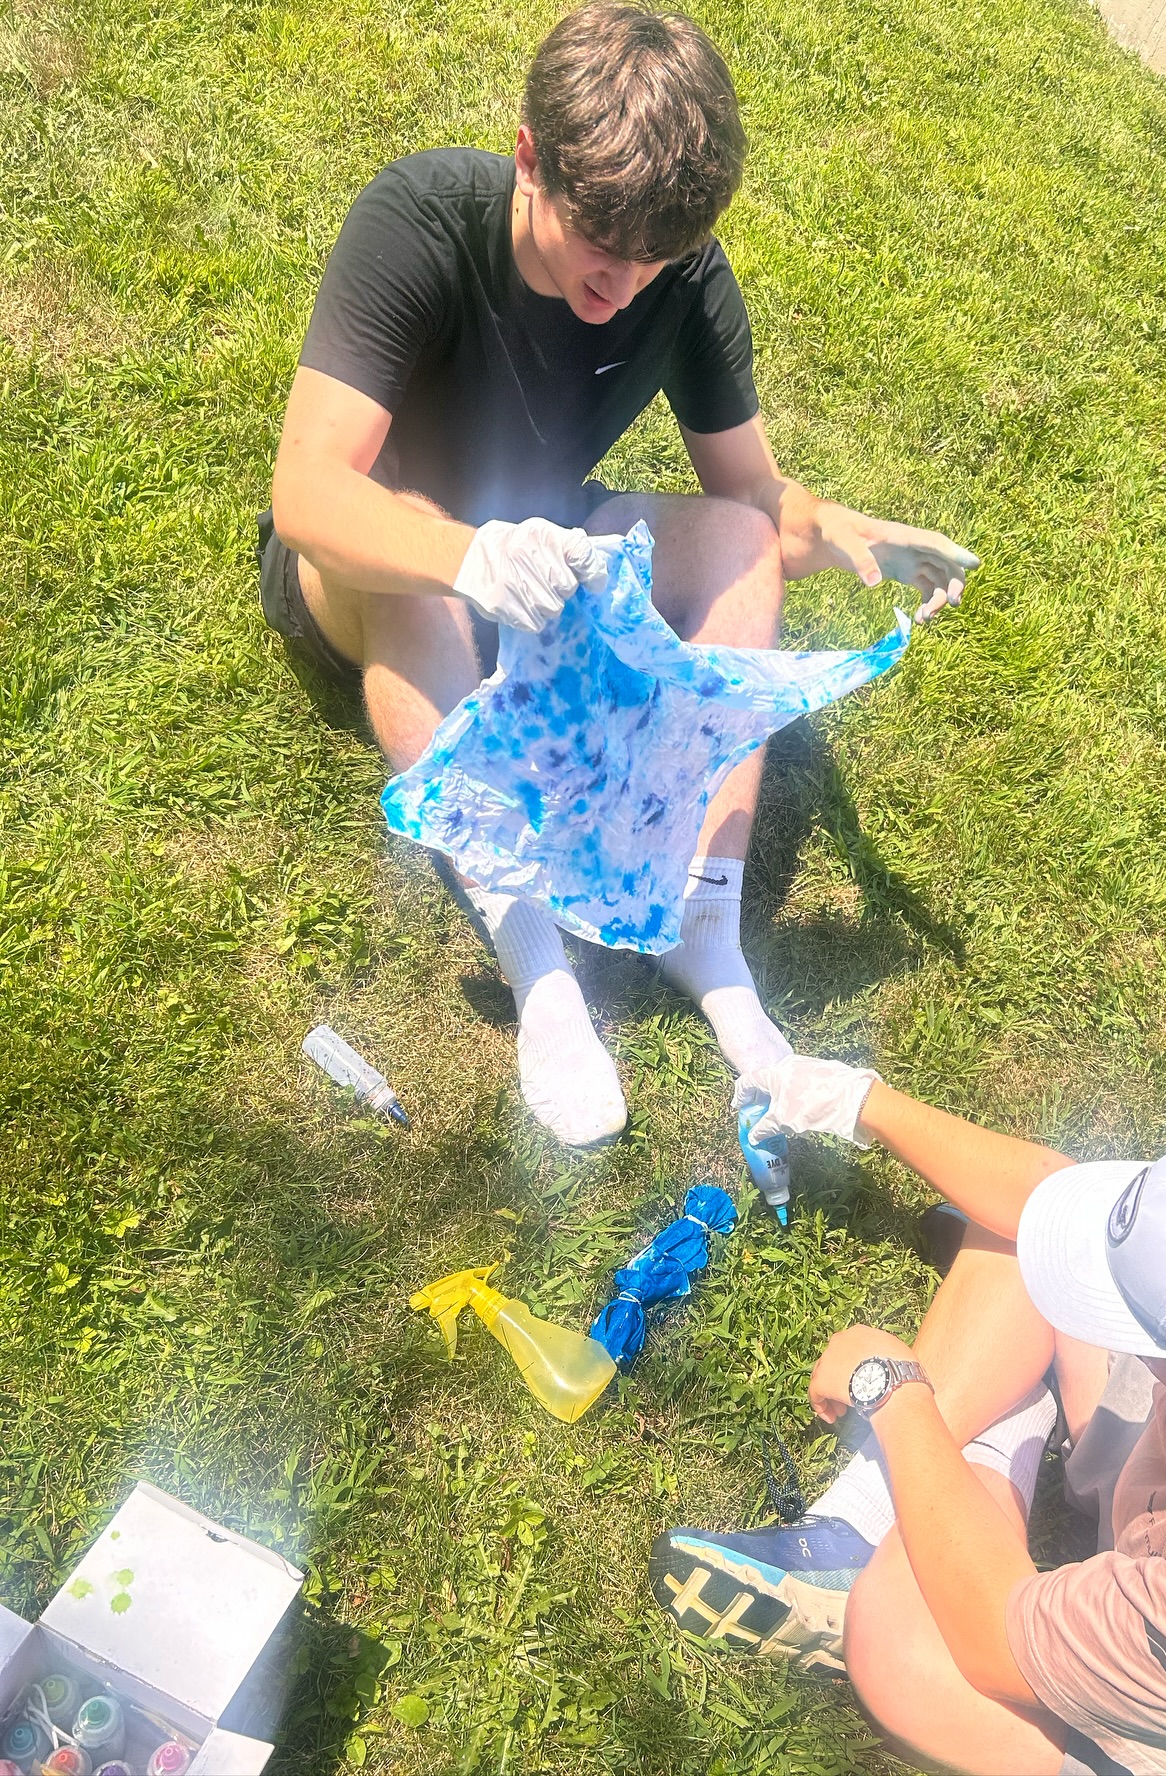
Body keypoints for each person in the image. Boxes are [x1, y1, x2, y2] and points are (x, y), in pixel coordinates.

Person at [262, 3, 978, 1147]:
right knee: (410, 548)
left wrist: (839, 529)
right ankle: (534, 953)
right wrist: (469, 556)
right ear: (530, 157)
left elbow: (753, 499)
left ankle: (707, 925)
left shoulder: (677, 273)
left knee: (738, 548)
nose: (628, 286)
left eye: (660, 259)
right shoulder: (420, 220)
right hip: (382, 567)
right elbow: (307, 495)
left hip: (547, 546)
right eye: (604, 251)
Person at [651, 1055, 1166, 1775]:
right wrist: (859, 1101)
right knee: (1027, 1244)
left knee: (902, 1649)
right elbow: (1046, 1206)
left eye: (1136, 1325)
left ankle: (908, 1507)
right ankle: (872, 1523)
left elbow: (997, 1635)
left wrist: (888, 1387)